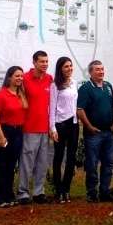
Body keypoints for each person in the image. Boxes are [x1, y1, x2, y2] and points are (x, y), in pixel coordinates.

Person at [77, 60, 113, 202]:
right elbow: (80, 110)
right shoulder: (85, 88)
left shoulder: (108, 86)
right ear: (90, 72)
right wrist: (89, 126)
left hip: (109, 132)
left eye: (102, 69)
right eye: (97, 70)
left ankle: (105, 192)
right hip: (94, 134)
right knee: (92, 164)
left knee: (108, 163)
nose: (101, 72)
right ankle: (91, 193)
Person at [18, 51, 53, 204]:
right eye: (41, 61)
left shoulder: (49, 79)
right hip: (29, 128)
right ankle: (23, 193)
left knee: (42, 162)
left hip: (45, 128)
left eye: (46, 61)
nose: (44, 64)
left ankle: (39, 192)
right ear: (34, 62)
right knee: (27, 162)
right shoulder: (24, 78)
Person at [0, 66, 27, 207]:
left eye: (21, 76)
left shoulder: (21, 94)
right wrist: (1, 136)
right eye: (17, 76)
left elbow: (24, 109)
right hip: (4, 131)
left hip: (18, 132)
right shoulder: (1, 94)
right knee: (1, 165)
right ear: (9, 77)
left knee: (11, 166)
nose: (19, 78)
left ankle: (8, 195)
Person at [49, 57, 79, 204]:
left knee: (71, 157)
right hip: (60, 124)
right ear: (60, 68)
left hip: (73, 124)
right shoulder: (55, 85)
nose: (69, 68)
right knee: (58, 157)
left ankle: (66, 189)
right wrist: (52, 128)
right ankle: (58, 189)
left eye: (71, 66)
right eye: (66, 66)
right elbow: (52, 108)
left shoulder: (74, 83)